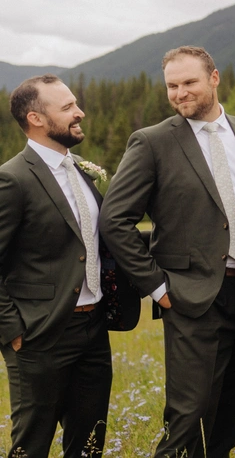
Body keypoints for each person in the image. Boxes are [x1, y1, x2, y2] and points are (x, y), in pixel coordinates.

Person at [100, 46, 235, 457]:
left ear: (214, 79)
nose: (180, 93)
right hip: (191, 296)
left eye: (189, 82)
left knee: (230, 415)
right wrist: (157, 286)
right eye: (172, 86)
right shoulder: (152, 142)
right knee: (189, 416)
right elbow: (115, 220)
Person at [0, 75, 139, 458]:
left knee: (90, 442)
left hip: (93, 329)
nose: (80, 113)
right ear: (36, 119)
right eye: (67, 108)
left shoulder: (80, 169)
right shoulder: (12, 178)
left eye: (75, 103)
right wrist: (12, 330)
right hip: (39, 333)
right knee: (32, 444)